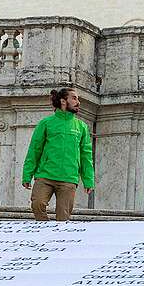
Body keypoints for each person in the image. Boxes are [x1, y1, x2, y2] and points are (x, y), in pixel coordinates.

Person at [22, 88, 95, 221]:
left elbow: (86, 156)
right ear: (63, 101)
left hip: (69, 178)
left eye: (77, 99)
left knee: (64, 217)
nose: (78, 102)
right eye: (74, 98)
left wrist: (88, 180)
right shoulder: (46, 123)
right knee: (37, 204)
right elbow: (34, 150)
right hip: (45, 175)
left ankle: (56, 240)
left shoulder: (81, 127)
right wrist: (27, 174)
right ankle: (44, 231)